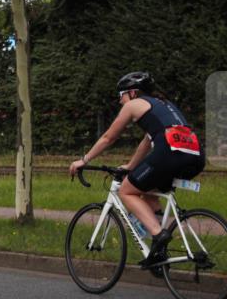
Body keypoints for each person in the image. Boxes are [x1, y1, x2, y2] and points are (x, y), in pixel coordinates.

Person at [69, 71, 205, 268]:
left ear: (132, 93)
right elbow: (147, 142)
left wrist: (84, 159)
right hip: (196, 156)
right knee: (149, 191)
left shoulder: (134, 105)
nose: (120, 101)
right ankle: (160, 253)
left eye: (121, 95)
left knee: (126, 190)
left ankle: (159, 236)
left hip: (169, 154)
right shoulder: (163, 104)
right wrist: (131, 166)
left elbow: (109, 137)